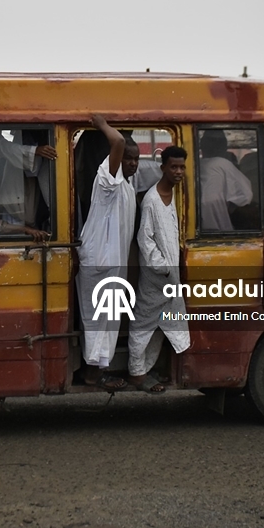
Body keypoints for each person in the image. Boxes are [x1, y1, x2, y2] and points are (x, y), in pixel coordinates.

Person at [76, 115, 140, 391]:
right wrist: (101, 124)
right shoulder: (107, 180)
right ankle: (92, 374)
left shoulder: (126, 185)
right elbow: (119, 141)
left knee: (107, 319)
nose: (133, 163)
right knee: (98, 320)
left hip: (111, 264)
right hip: (100, 263)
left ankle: (98, 370)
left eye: (136, 159)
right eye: (127, 158)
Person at [129, 146, 191, 393]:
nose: (178, 172)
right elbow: (145, 239)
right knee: (144, 322)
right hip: (157, 276)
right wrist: (162, 267)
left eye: (182, 167)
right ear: (162, 167)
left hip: (171, 274)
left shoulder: (174, 194)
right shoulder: (152, 200)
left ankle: (148, 368)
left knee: (163, 323)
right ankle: (136, 373)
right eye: (173, 167)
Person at [198, 129, 252, 231]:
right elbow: (245, 197)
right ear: (224, 147)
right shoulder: (222, 164)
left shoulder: (195, 165)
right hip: (219, 230)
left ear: (202, 146)